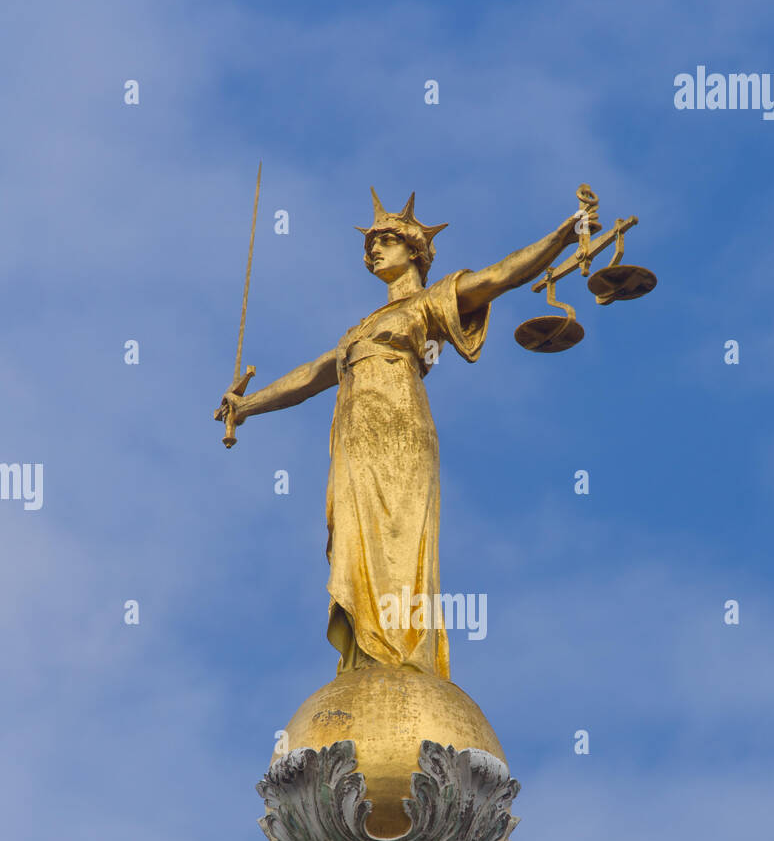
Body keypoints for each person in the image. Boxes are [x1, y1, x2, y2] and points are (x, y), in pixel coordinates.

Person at [218, 189, 580, 678]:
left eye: (386, 240)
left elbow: (500, 276)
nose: (374, 249)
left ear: (415, 251)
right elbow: (309, 376)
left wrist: (564, 234)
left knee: (401, 534)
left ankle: (405, 651)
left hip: (400, 426)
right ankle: (367, 651)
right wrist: (247, 405)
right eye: (370, 244)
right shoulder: (358, 330)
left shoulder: (430, 302)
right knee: (353, 534)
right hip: (354, 434)